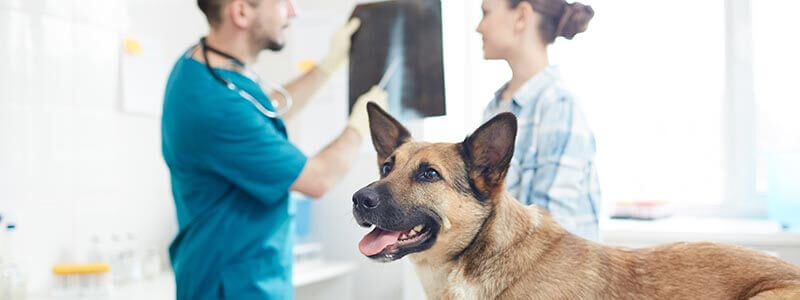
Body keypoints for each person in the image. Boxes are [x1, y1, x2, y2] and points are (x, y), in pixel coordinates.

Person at [161, 0, 387, 298]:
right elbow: (317, 179)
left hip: (242, 274)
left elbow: (263, 112)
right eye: (282, 3)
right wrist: (361, 126)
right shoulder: (214, 104)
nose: (293, 12)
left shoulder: (201, 68)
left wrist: (327, 67)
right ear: (241, 12)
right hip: (230, 287)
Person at [476, 0, 600, 241]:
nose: (479, 27)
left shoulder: (558, 106)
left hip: (555, 274)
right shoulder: (494, 109)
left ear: (521, 16)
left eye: (486, 13)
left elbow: (551, 231)